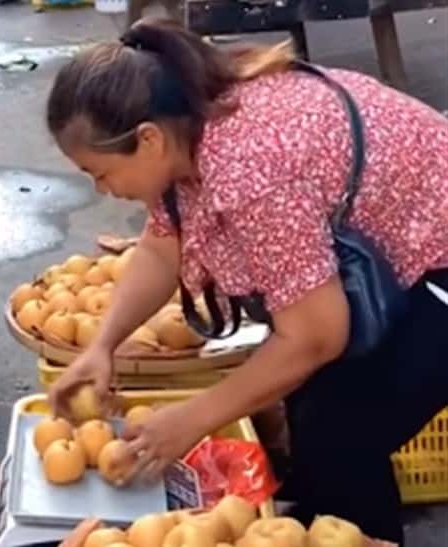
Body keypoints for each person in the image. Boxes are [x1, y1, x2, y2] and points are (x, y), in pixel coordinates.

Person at [44, 16, 448, 545]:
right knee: (316, 416)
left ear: (147, 140)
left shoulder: (248, 163)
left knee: (341, 428)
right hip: (397, 252)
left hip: (438, 255)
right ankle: (326, 512)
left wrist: (193, 419)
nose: (102, 188)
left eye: (99, 172)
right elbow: (163, 248)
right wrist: (103, 345)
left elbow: (316, 336)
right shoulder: (185, 126)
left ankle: (355, 527)